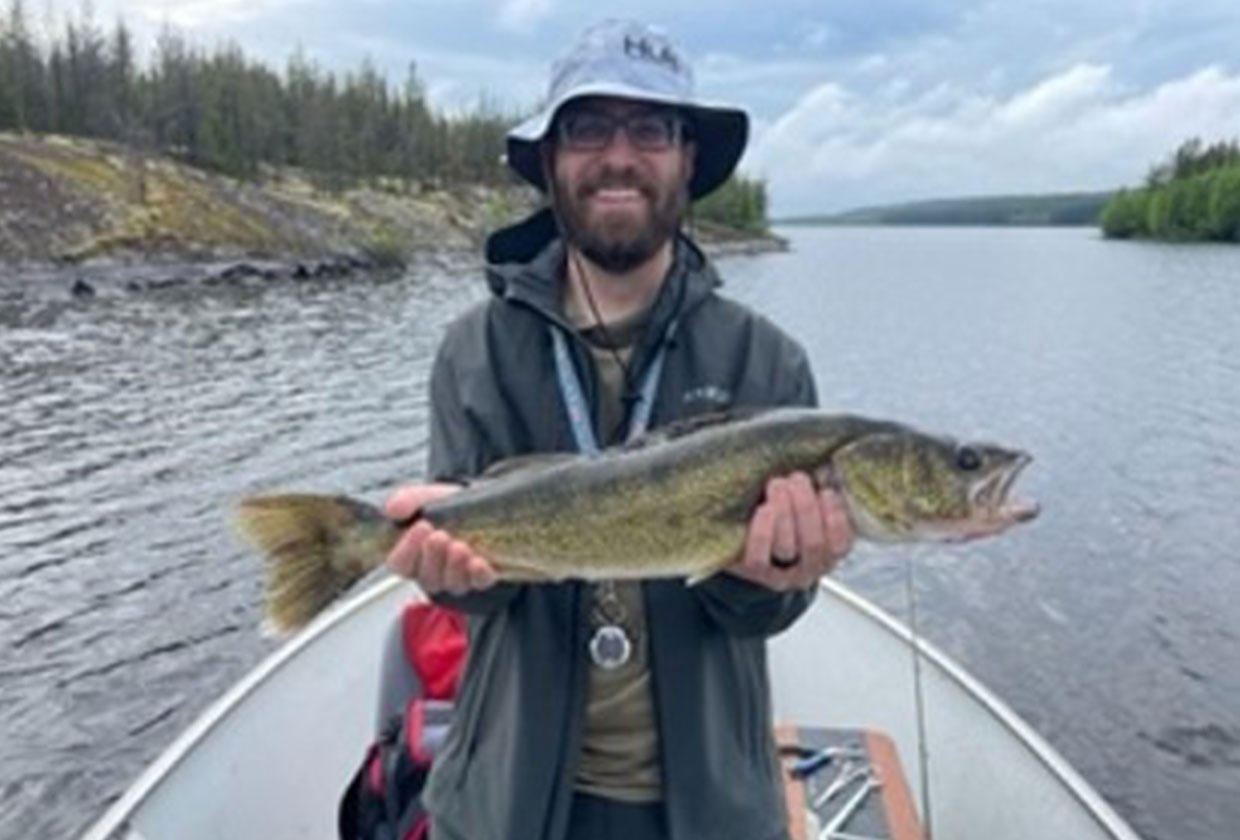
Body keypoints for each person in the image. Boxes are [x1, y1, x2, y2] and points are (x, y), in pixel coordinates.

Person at [384, 19, 854, 840]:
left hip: (704, 813)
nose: (619, 156)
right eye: (589, 128)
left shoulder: (768, 363)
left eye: (651, 129)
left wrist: (772, 579)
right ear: (551, 161)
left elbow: (768, 614)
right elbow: (480, 602)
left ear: (688, 160)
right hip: (509, 805)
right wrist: (449, 576)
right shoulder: (475, 351)